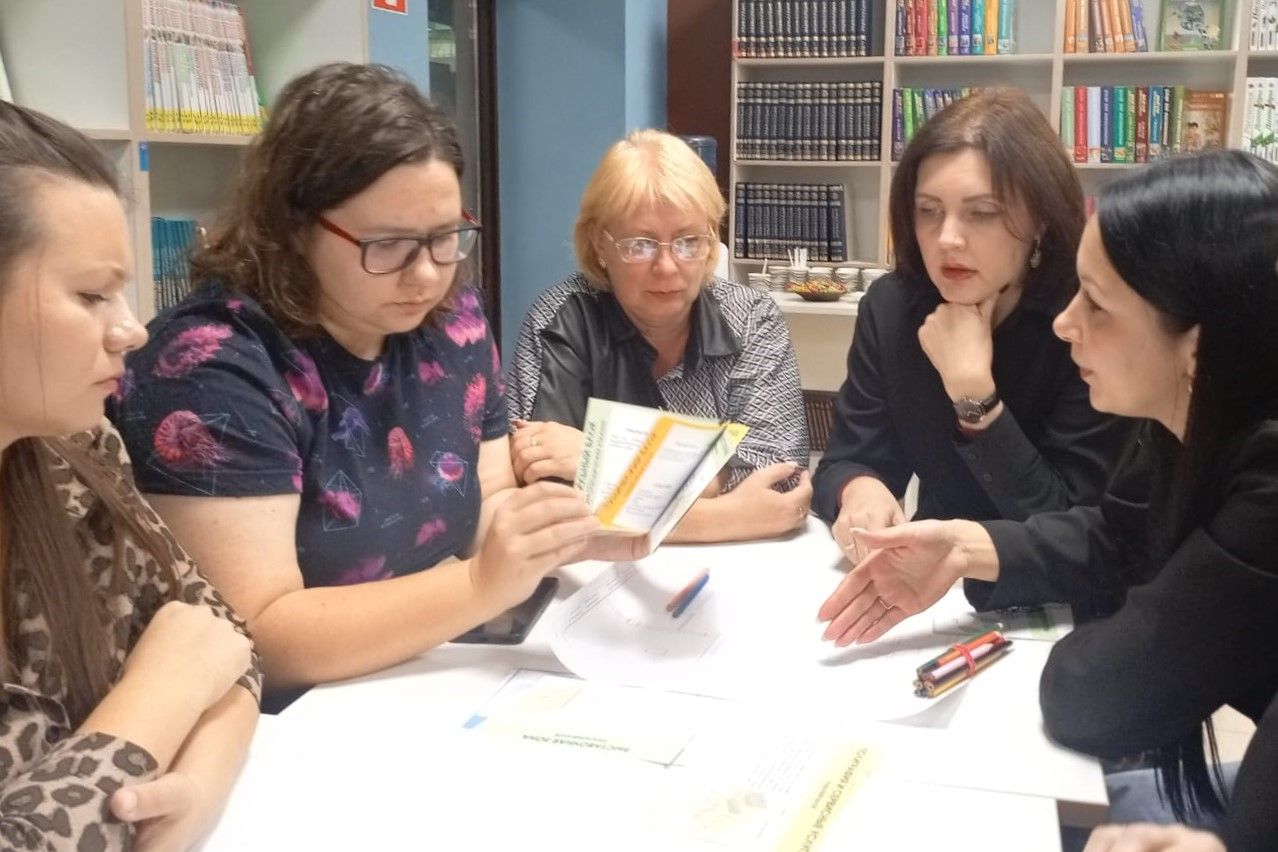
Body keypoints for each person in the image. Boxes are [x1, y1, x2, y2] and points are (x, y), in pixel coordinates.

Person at [110, 63, 631, 698]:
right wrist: (479, 585)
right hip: (282, 719)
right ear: (293, 227)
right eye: (387, 245)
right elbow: (253, 635)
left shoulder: (454, 322)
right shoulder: (209, 367)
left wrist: (554, 531)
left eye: (445, 238)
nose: (426, 275)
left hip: (415, 677)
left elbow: (486, 504)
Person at [816, 150, 1278, 850]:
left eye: (1097, 303)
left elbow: (1092, 693)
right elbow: (1116, 536)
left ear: (1196, 345)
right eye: (927, 212)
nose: (1067, 323)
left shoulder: (1265, 476)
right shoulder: (1189, 414)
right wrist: (964, 545)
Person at [0, 102, 260, 850]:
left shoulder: (76, 455)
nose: (133, 329)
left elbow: (223, 641)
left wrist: (196, 789)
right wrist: (158, 699)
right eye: (91, 296)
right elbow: (190, 660)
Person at [811, 88, 1130, 560]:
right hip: (930, 575)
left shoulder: (1086, 321)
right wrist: (859, 488)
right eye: (928, 211)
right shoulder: (893, 306)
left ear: (1041, 220)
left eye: (982, 213)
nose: (947, 239)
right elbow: (847, 457)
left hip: (1053, 587)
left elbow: (1067, 527)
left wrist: (975, 398)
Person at [506, 129, 812, 543]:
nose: (667, 267)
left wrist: (597, 462)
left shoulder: (752, 318)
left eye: (689, 241)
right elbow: (541, 491)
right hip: (593, 571)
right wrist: (725, 514)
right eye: (640, 245)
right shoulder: (558, 319)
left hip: (737, 563)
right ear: (599, 244)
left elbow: (780, 480)